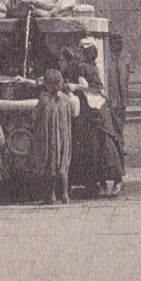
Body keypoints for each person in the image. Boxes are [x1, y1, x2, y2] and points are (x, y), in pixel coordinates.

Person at [67, 41, 125, 197]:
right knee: (93, 145)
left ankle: (116, 179)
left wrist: (76, 86)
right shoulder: (89, 67)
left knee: (103, 143)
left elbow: (91, 87)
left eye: (81, 51)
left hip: (95, 106)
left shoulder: (84, 68)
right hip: (93, 106)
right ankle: (96, 182)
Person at [31, 68, 80, 204]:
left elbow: (34, 116)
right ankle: (65, 195)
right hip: (64, 138)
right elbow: (73, 113)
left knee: (50, 166)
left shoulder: (44, 99)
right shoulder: (65, 99)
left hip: (48, 138)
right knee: (63, 166)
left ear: (46, 85)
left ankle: (51, 195)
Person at [106, 32, 130, 129]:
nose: (118, 45)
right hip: (111, 97)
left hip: (122, 97)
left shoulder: (125, 59)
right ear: (111, 45)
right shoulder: (107, 59)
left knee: (121, 120)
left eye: (120, 43)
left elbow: (125, 78)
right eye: (115, 43)